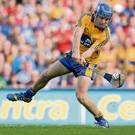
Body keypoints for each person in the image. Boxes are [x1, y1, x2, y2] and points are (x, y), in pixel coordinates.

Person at [7, 3, 124, 128]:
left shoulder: (105, 34)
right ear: (96, 15)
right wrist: (75, 52)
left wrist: (82, 57)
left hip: (88, 64)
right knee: (46, 74)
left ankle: (101, 119)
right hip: (73, 56)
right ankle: (27, 96)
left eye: (107, 19)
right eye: (103, 18)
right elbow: (77, 35)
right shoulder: (85, 17)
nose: (105, 21)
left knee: (81, 96)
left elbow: (91, 51)